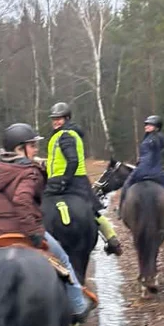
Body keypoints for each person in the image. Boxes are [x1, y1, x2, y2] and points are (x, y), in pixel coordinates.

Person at [0, 122, 93, 321]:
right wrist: (34, 232)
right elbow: (22, 200)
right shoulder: (29, 171)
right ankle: (78, 307)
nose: (36, 150)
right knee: (64, 260)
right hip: (25, 233)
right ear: (20, 148)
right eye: (32, 145)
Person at [43, 102, 123, 255]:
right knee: (92, 211)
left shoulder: (65, 135)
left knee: (42, 207)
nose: (56, 122)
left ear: (67, 118)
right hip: (77, 181)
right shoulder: (69, 134)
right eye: (54, 119)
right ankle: (111, 239)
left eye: (59, 119)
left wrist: (63, 181)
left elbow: (72, 160)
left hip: (66, 181)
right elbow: (59, 160)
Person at [120, 114, 164, 222]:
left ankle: (120, 212)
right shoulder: (159, 138)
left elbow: (147, 158)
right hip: (158, 173)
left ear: (157, 127)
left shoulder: (150, 140)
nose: (147, 126)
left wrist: (139, 167)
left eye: (150, 125)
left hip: (143, 171)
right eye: (146, 124)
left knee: (126, 185)